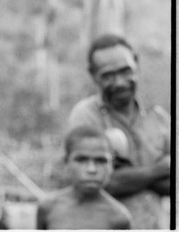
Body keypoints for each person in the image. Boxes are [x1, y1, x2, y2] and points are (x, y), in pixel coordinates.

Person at [67, 34, 170, 229]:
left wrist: (127, 176)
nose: (120, 82)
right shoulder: (86, 116)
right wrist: (160, 169)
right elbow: (99, 183)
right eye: (108, 75)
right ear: (93, 75)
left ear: (136, 64)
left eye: (125, 71)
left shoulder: (159, 118)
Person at [36, 125, 131, 229]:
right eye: (81, 160)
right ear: (66, 162)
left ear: (111, 165)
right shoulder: (48, 208)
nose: (92, 169)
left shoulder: (118, 217)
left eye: (100, 161)